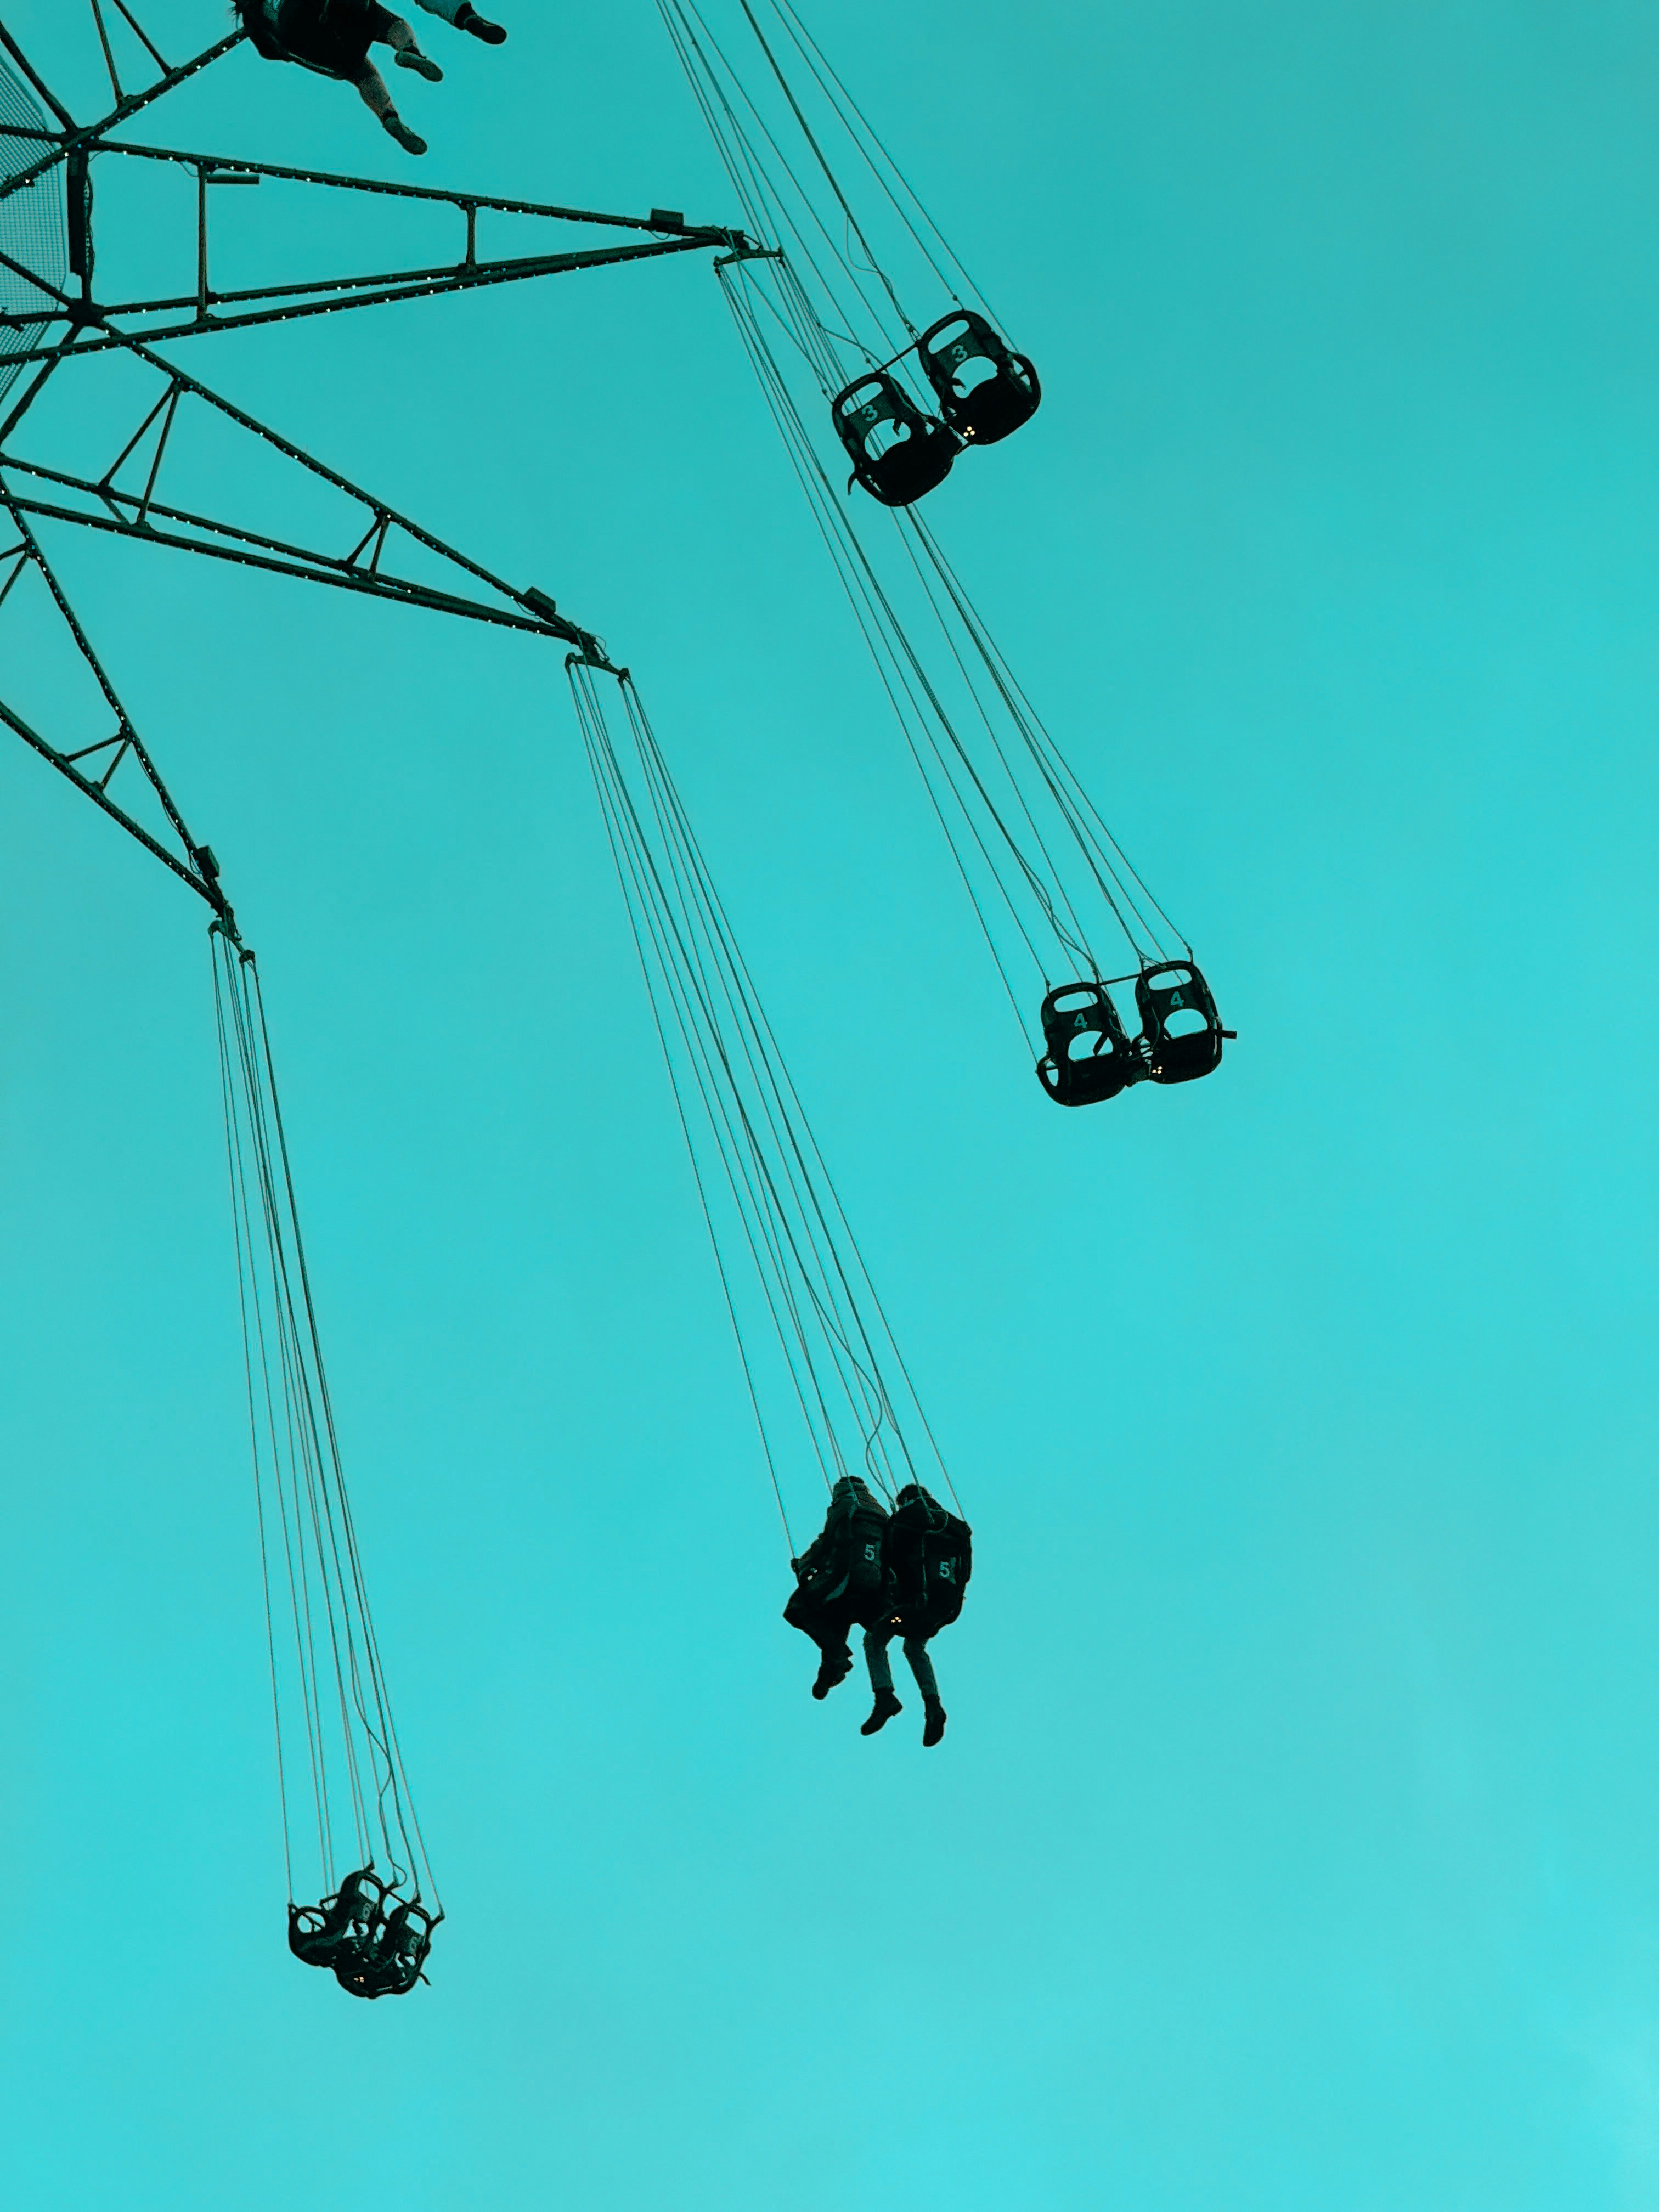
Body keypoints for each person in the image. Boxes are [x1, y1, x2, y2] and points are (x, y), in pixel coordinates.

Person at [234, 1, 507, 157]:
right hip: (326, 7)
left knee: (360, 72)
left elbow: (272, 53)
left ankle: (390, 118)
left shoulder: (252, 17)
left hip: (307, 45)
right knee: (391, 24)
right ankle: (410, 49)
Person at [859, 1482, 970, 1748]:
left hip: (915, 1607)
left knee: (875, 1638)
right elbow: (965, 1573)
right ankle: (933, 1705)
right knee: (914, 1647)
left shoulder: (910, 1517)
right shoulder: (956, 1527)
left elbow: (893, 1558)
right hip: (944, 1611)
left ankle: (884, 1696)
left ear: (906, 1499)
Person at [783, 1475, 890, 1700]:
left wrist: (803, 1564)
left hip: (846, 1576)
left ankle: (838, 1658)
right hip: (875, 1583)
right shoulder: (881, 1512)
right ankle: (831, 1670)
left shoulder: (844, 1505)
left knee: (798, 1609)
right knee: (836, 1616)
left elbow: (829, 1540)